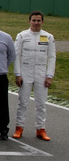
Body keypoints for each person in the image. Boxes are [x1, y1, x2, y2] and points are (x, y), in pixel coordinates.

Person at [13, 12, 56, 141]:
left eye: (38, 20)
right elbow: (17, 56)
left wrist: (49, 76)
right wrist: (18, 74)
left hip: (41, 73)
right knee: (23, 102)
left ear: (42, 22)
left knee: (41, 103)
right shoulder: (22, 36)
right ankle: (19, 127)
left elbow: (52, 57)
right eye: (34, 20)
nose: (36, 23)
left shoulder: (48, 37)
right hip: (25, 71)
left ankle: (40, 129)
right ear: (29, 21)